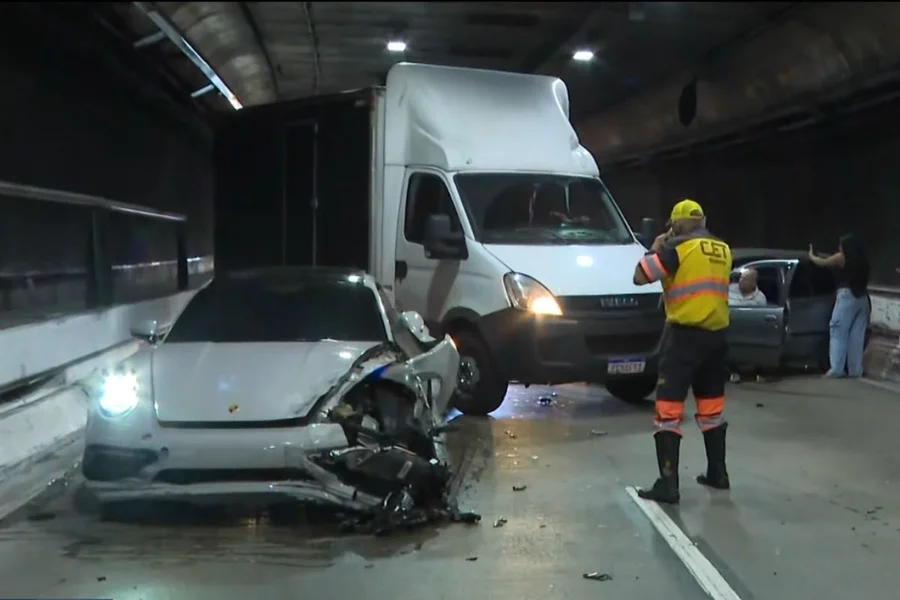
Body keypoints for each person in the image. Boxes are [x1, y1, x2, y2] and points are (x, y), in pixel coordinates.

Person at [631, 198, 732, 504]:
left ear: (677, 224)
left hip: (684, 338)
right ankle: (718, 473)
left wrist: (657, 245)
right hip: (717, 338)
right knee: (711, 409)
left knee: (668, 412)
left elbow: (640, 275)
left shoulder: (676, 248)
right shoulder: (723, 249)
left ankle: (668, 483)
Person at [808, 234, 870, 378]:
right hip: (863, 299)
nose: (839, 248)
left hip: (847, 297)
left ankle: (836, 368)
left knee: (838, 331)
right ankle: (856, 370)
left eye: (841, 245)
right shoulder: (863, 260)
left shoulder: (842, 257)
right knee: (857, 336)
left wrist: (811, 255)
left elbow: (821, 262)